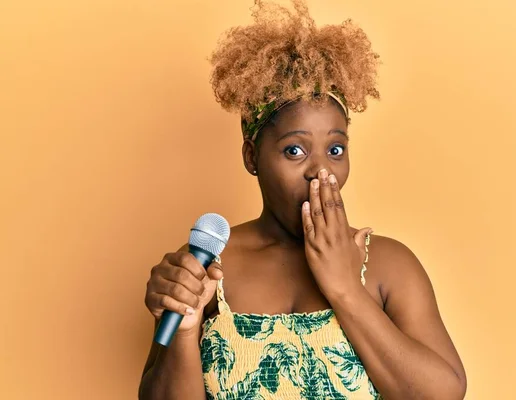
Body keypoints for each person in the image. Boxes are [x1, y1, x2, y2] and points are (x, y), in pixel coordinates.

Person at [138, 1, 466, 399]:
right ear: (251, 157)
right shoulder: (207, 269)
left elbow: (443, 394)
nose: (320, 172)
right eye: (295, 151)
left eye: (336, 150)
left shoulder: (388, 265)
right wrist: (186, 329)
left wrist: (345, 288)